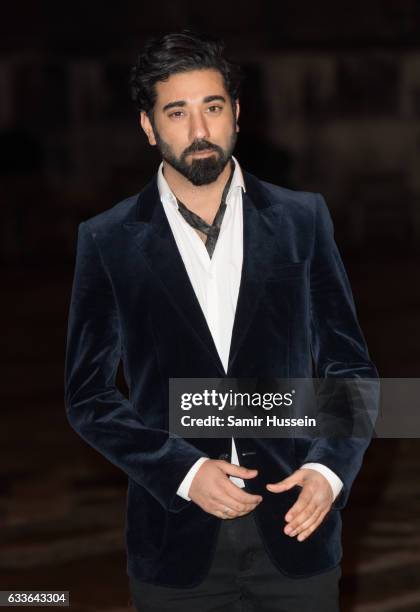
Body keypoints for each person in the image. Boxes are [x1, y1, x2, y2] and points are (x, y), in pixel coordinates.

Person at [64, 30, 378, 612]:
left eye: (212, 107)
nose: (200, 130)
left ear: (236, 113)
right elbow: (88, 397)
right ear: (148, 126)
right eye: (176, 113)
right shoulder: (106, 240)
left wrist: (328, 473)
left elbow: (350, 368)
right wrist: (182, 472)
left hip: (298, 532)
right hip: (173, 544)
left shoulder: (302, 219)